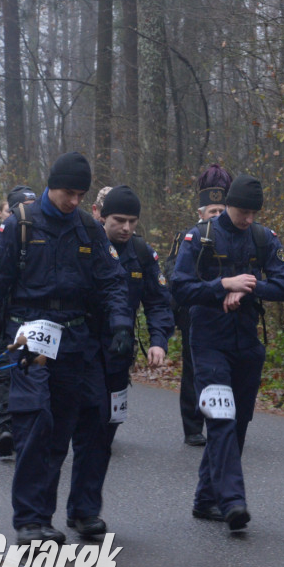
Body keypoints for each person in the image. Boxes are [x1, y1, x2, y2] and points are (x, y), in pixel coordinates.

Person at [0, 152, 134, 545]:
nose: (74, 201)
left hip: (74, 338)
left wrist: (122, 324)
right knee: (33, 421)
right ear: (50, 185)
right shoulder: (20, 225)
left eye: (80, 194)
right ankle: (28, 519)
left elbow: (112, 281)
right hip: (27, 333)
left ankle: (46, 516)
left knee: (60, 430)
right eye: (67, 192)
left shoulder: (87, 229)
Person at [170, 174, 284, 531]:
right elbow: (180, 287)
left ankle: (206, 498)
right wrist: (222, 284)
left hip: (247, 344)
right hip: (208, 341)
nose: (248, 219)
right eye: (243, 211)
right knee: (221, 420)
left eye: (254, 213)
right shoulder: (202, 237)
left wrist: (249, 288)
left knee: (238, 424)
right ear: (227, 206)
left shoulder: (263, 238)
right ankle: (233, 501)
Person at [65, 185, 175, 537]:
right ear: (101, 216)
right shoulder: (84, 245)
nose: (126, 228)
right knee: (73, 430)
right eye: (119, 220)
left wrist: (158, 341)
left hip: (116, 356)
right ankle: (54, 513)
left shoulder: (143, 254)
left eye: (132, 221)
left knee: (102, 432)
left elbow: (159, 302)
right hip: (79, 349)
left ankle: (83, 510)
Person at [166, 164, 232, 446]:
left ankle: (226, 417)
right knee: (194, 369)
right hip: (195, 312)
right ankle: (193, 425)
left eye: (221, 211)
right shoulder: (187, 237)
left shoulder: (239, 235)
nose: (217, 217)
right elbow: (172, 273)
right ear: (201, 213)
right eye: (212, 212)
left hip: (230, 312)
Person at [0, 186, 37, 458]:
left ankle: (30, 429)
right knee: (2, 372)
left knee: (31, 373)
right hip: (1, 318)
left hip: (33, 320)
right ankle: (4, 429)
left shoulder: (43, 237)